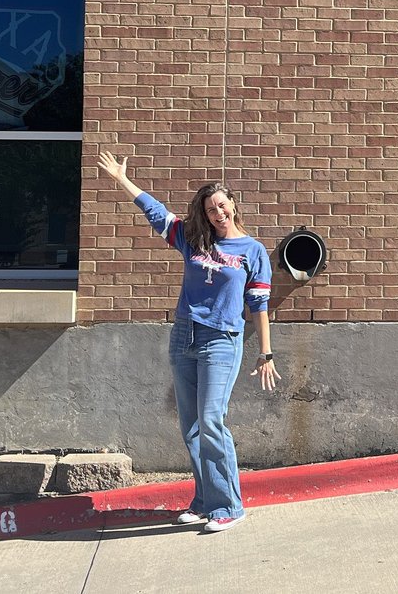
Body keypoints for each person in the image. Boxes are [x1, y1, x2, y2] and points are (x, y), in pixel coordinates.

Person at [98, 150, 280, 531]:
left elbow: (259, 305)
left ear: (234, 206)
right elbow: (157, 213)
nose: (218, 214)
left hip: (222, 341)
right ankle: (203, 500)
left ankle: (229, 505)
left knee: (212, 420)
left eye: (222, 206)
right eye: (211, 209)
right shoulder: (193, 239)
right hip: (184, 335)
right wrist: (121, 179)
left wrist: (265, 352)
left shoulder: (253, 251)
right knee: (191, 425)